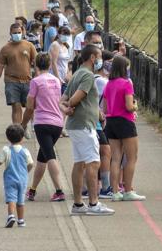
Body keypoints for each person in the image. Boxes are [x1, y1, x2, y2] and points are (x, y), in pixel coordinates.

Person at [61, 45, 114, 216]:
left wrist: (66, 109)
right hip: (85, 125)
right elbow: (76, 98)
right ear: (92, 57)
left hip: (76, 125)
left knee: (80, 162)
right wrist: (70, 106)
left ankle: (78, 203)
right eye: (99, 57)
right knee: (93, 162)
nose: (100, 61)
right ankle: (93, 203)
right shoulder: (88, 76)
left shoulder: (76, 74)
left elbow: (63, 99)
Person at [23, 53, 66, 202]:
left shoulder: (35, 82)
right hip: (57, 123)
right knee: (42, 158)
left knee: (50, 156)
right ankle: (32, 189)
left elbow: (30, 107)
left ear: (35, 65)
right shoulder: (56, 81)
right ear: (49, 65)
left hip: (42, 123)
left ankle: (59, 190)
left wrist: (23, 124)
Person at [103, 55, 145, 202]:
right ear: (123, 68)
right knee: (132, 158)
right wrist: (135, 106)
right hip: (125, 122)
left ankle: (115, 192)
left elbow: (105, 107)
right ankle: (128, 190)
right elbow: (128, 106)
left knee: (115, 158)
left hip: (111, 121)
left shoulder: (108, 84)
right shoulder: (127, 83)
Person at [0, 24, 37, 127]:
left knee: (30, 107)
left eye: (19, 32)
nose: (17, 34)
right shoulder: (5, 49)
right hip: (11, 81)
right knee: (16, 106)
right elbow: (0, 67)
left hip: (27, 81)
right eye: (14, 33)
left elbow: (36, 64)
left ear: (23, 32)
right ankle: (17, 129)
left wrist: (38, 80)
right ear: (10, 33)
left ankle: (25, 125)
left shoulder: (29, 46)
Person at [0, 124, 34, 228]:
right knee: (20, 201)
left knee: (11, 199)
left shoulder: (6, 150)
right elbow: (31, 164)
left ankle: (11, 216)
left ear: (8, 138)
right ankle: (21, 220)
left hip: (10, 179)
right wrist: (26, 172)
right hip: (23, 179)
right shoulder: (25, 151)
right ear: (22, 137)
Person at [94, 50, 114, 199]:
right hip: (96, 121)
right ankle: (105, 187)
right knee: (105, 151)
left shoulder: (91, 78)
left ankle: (88, 187)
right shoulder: (101, 81)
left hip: (95, 121)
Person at [49, 26, 72, 94]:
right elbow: (53, 62)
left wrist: (67, 75)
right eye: (63, 34)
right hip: (55, 77)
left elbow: (66, 63)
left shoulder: (66, 46)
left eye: (67, 35)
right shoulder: (55, 45)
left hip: (64, 77)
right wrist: (58, 78)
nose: (65, 36)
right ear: (58, 34)